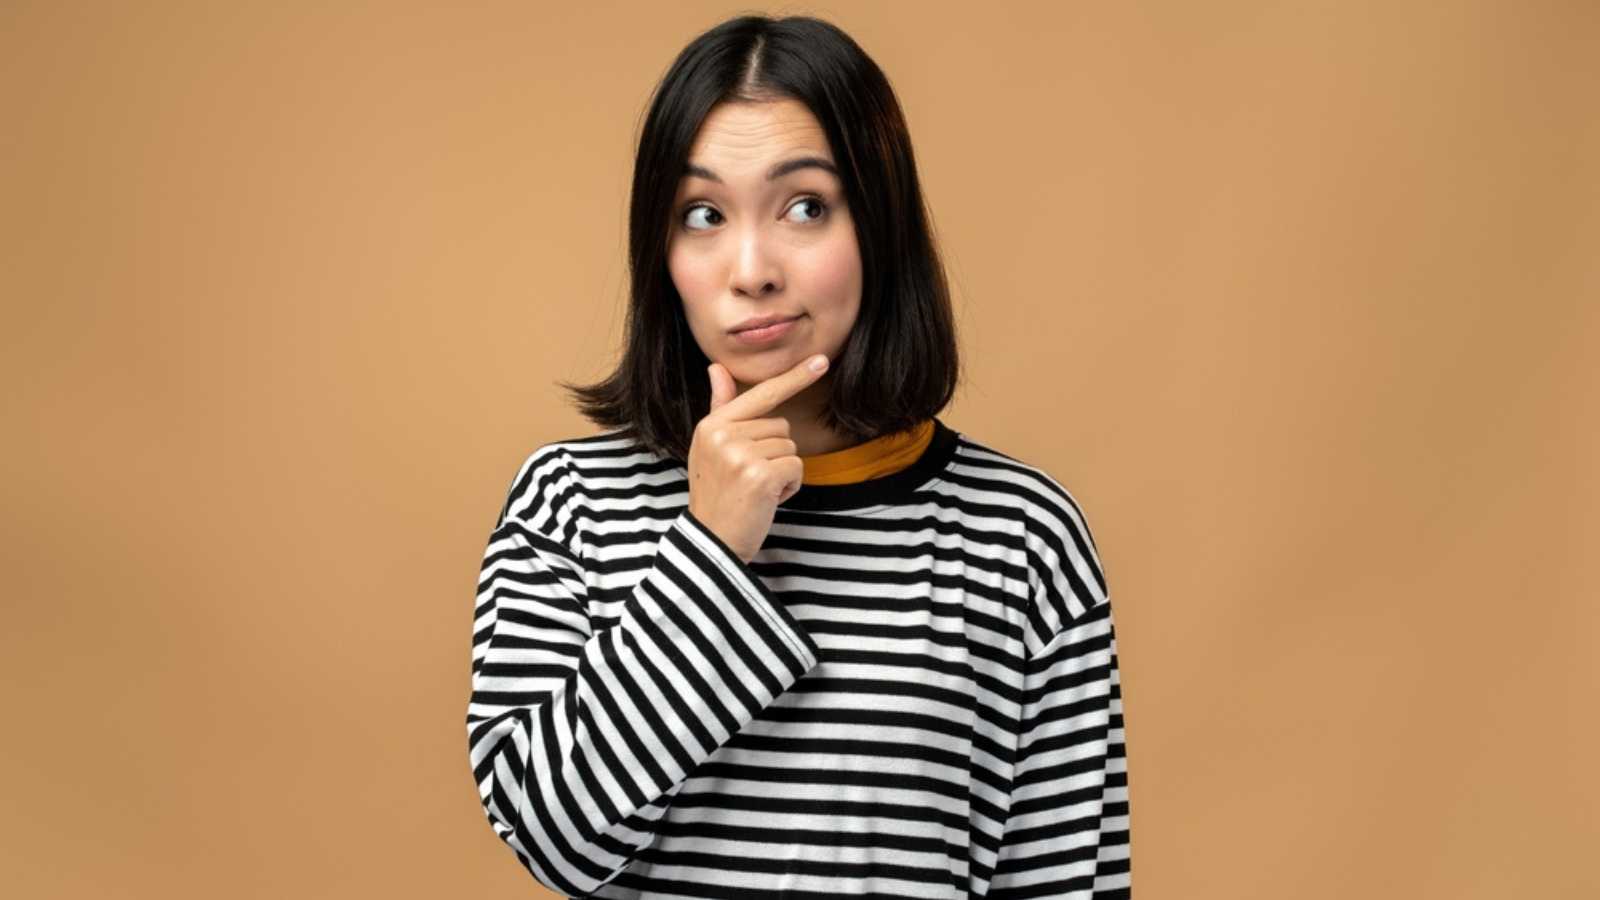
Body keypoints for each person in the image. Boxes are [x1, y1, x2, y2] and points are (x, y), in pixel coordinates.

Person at [466, 14, 1130, 899]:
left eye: (806, 206)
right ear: (660, 253)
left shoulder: (1022, 537)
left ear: (880, 225)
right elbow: (553, 845)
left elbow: (1064, 881)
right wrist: (708, 551)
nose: (752, 268)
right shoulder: (571, 504)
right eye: (702, 215)